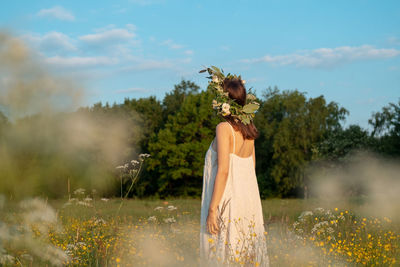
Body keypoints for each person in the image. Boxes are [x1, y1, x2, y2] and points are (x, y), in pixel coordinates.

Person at [199, 67, 270, 267]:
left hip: (226, 202)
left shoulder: (224, 128)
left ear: (225, 102)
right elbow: (251, 170)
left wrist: (213, 209)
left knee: (222, 255)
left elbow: (223, 170)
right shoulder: (249, 132)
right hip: (247, 204)